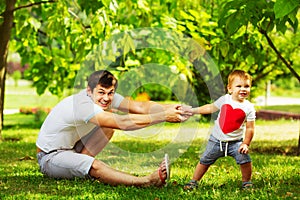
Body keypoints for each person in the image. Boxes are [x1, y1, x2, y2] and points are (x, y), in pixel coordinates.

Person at [36, 70, 192, 187]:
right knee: (96, 163)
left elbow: (138, 106)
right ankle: (147, 181)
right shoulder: (83, 105)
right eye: (101, 93)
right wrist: (164, 116)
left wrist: (172, 108)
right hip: (50, 157)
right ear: (89, 91)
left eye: (110, 93)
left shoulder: (105, 96)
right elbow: (122, 123)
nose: (106, 98)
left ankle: (82, 168)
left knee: (107, 128)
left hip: (71, 148)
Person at [184, 69, 256, 190]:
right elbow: (210, 108)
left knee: (245, 160)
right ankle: (193, 181)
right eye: (239, 86)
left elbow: (250, 128)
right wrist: (193, 111)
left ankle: (247, 182)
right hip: (216, 141)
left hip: (236, 142)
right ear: (230, 88)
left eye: (247, 86)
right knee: (204, 160)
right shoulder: (225, 100)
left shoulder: (249, 107)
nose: (243, 89)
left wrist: (245, 143)